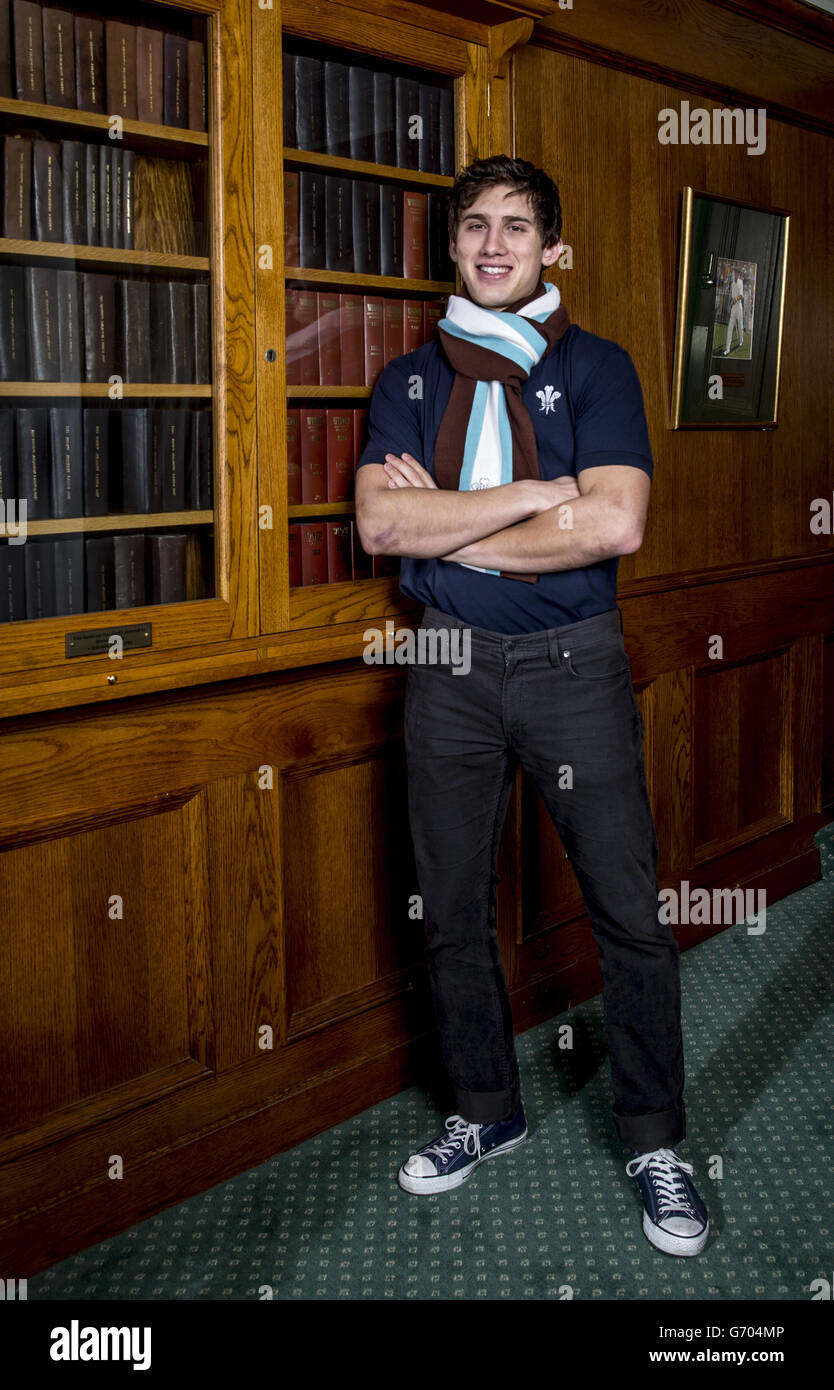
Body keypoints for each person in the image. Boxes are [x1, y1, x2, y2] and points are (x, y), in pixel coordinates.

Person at [354, 155, 709, 1258]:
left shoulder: (599, 370)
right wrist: (532, 501)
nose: (494, 245)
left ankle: (655, 1138)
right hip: (446, 669)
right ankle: (484, 1112)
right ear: (453, 249)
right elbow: (380, 531)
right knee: (450, 909)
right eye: (474, 229)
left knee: (628, 912)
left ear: (553, 249)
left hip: (573, 666)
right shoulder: (406, 383)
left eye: (517, 227)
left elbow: (613, 529)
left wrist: (452, 526)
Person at [723, 269, 744, 355]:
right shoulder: (732, 284)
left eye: (736, 273)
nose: (735, 274)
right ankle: (727, 348)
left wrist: (735, 299)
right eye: (734, 273)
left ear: (738, 274)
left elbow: (741, 295)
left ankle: (741, 340)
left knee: (740, 327)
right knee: (730, 328)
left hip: (739, 308)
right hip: (733, 308)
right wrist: (732, 301)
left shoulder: (740, 282)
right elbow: (733, 297)